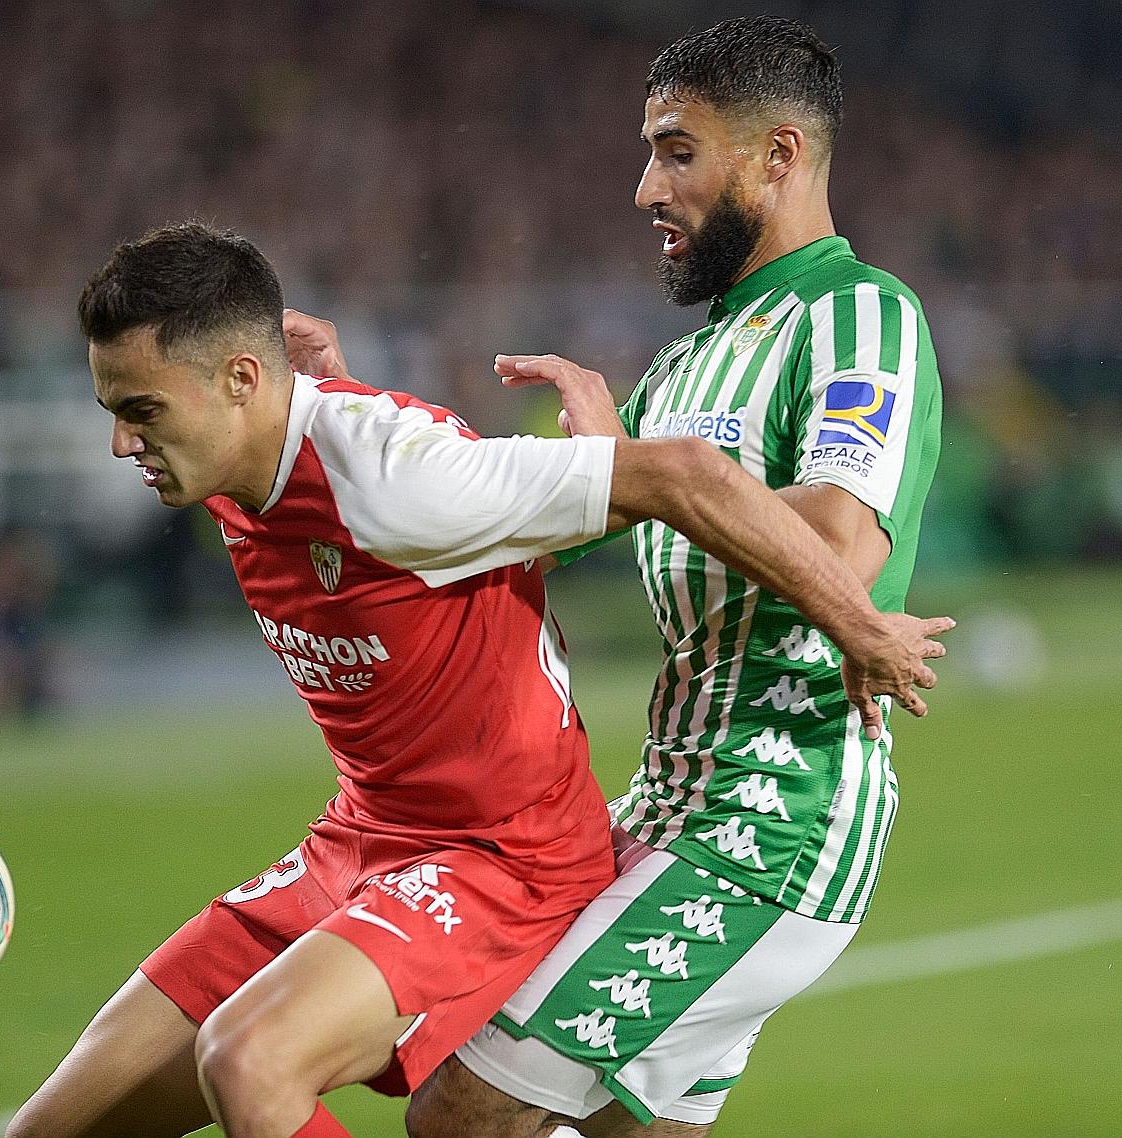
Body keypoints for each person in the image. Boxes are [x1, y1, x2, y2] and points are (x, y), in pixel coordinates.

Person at [6, 222, 948, 1138]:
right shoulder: (240, 447)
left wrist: (858, 625)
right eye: (114, 412)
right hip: (359, 841)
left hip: (500, 856)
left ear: (241, 381)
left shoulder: (395, 478)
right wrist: (318, 384)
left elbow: (687, 474)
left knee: (249, 1063)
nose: (123, 446)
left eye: (142, 413)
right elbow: (321, 435)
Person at [288, 16, 947, 1138]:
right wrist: (358, 416)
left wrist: (640, 473)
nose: (647, 187)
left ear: (779, 156)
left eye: (678, 151)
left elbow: (838, 543)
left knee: (464, 1108)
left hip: (773, 816)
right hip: (662, 800)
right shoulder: (691, 361)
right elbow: (522, 521)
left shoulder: (860, 315)